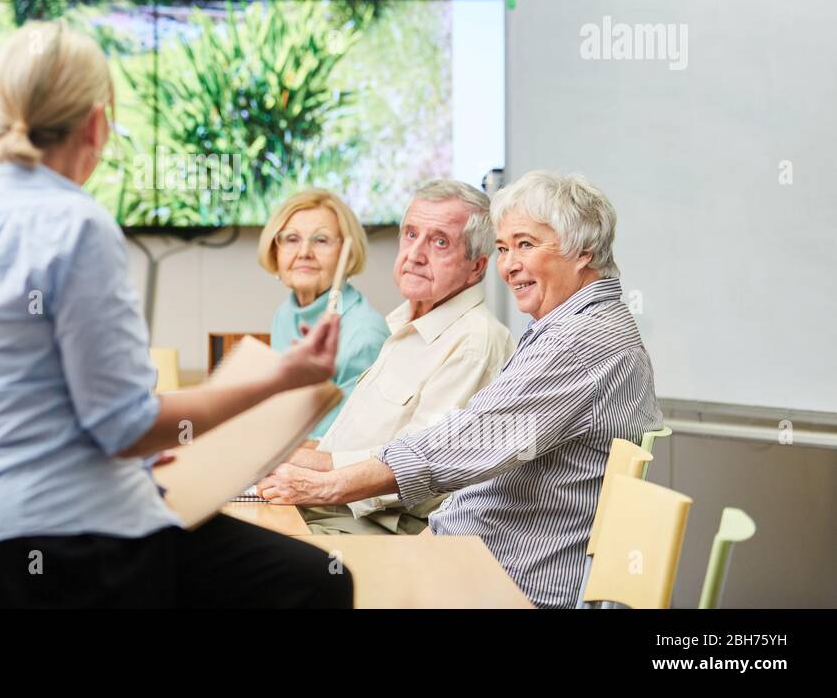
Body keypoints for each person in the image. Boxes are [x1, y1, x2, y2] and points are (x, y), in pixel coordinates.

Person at [0, 20, 353, 608]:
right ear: (98, 123)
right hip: (86, 546)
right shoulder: (75, 223)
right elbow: (124, 428)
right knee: (315, 583)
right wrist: (283, 376)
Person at [258, 170, 662, 608]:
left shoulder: (582, 341)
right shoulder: (567, 328)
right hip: (469, 556)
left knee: (259, 572)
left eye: (525, 245)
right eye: (505, 248)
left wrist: (327, 486)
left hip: (506, 580)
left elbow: (460, 444)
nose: (509, 266)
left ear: (582, 251)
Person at [270, 180, 515, 535]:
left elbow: (416, 468)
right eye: (410, 234)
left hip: (375, 528)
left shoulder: (474, 342)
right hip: (330, 507)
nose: (415, 254)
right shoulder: (405, 326)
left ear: (476, 267)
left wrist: (313, 469)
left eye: (440, 242)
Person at [258, 189, 389, 437]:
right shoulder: (285, 314)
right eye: (292, 239)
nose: (304, 252)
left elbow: (343, 447)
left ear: (347, 253)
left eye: (321, 240)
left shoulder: (365, 336)